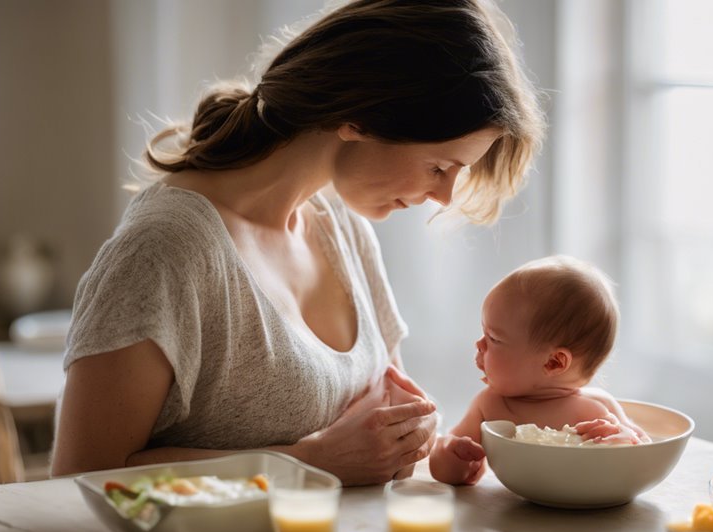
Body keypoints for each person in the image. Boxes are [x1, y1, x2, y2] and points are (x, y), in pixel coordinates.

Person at [50, 0, 545, 486]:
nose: (442, 196)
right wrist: (307, 463)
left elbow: (382, 428)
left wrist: (420, 440)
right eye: (439, 167)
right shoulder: (164, 251)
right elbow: (80, 476)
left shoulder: (342, 231)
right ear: (358, 117)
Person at [429, 255, 650, 486]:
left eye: (493, 338)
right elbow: (443, 461)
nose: (479, 344)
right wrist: (453, 456)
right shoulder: (489, 406)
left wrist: (624, 440)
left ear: (553, 362)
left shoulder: (597, 409)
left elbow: (645, 452)